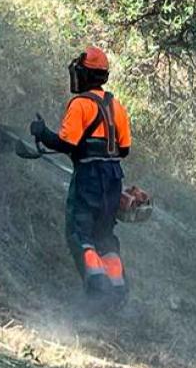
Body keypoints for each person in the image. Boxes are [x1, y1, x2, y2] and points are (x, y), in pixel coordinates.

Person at [30, 46, 133, 309]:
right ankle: (117, 289)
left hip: (89, 177)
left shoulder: (80, 105)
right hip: (113, 178)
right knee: (105, 236)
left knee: (80, 233)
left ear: (85, 74)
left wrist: (40, 132)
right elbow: (124, 149)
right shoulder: (115, 105)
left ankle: (98, 293)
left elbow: (66, 143)